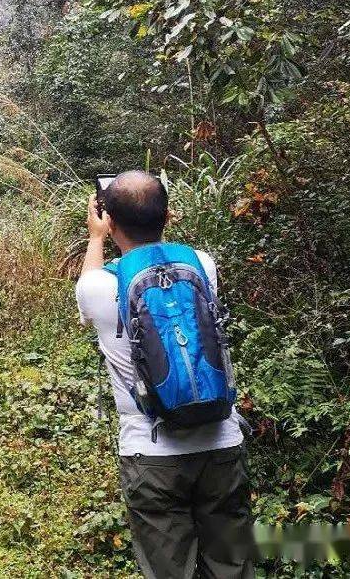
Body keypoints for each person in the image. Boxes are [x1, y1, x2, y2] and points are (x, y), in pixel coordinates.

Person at [76, 170, 253, 579]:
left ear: (110, 219)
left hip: (150, 450)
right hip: (222, 439)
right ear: (169, 215)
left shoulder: (98, 287)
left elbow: (88, 293)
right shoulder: (203, 265)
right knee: (231, 565)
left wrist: (97, 237)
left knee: (169, 569)